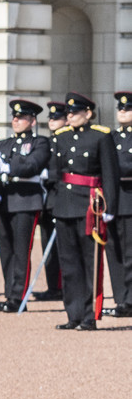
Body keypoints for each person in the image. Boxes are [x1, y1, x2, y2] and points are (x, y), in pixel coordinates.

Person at [45, 93, 120, 330]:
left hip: (90, 206)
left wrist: (110, 207)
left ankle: (89, 315)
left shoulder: (100, 137)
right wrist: (54, 204)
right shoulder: (60, 138)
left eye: (75, 112)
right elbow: (55, 173)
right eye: (68, 113)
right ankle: (73, 314)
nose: (70, 116)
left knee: (90, 263)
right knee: (68, 264)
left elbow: (110, 174)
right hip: (65, 206)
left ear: (88, 114)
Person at [0, 100, 50, 312]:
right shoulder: (4, 144)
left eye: (21, 117)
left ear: (32, 121)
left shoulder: (40, 143)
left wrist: (6, 166)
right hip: (3, 200)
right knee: (5, 251)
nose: (15, 120)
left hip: (25, 199)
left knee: (21, 251)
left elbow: (32, 165)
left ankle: (18, 297)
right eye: (14, 117)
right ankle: (9, 294)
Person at [110, 92, 132, 317]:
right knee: (114, 252)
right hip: (113, 200)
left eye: (127, 108)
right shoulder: (111, 137)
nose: (123, 112)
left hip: (129, 199)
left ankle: (130, 299)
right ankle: (121, 299)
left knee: (130, 254)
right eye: (120, 108)